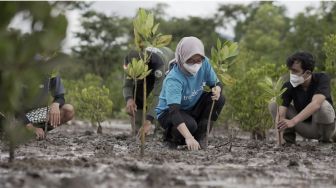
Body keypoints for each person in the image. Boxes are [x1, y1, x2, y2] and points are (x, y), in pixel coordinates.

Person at [155, 36, 225, 151]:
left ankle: (200, 138)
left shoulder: (205, 63)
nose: (195, 64)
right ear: (181, 58)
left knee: (219, 99)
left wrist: (217, 88)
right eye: (190, 60)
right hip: (169, 112)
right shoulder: (174, 78)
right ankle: (171, 139)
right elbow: (174, 111)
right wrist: (188, 137)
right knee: (190, 125)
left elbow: (216, 83)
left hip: (191, 106)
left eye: (198, 60)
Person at [269, 51, 336, 144]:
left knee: (323, 105)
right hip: (305, 128)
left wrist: (293, 121)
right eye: (291, 70)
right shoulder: (288, 86)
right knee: (275, 103)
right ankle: (287, 141)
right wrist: (279, 141)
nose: (291, 74)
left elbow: (316, 104)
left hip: (326, 128)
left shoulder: (322, 78)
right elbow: (281, 113)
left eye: (295, 71)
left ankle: (325, 141)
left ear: (308, 73)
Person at [19, 55, 75, 139]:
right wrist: (29, 126)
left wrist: (56, 104)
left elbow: (60, 96)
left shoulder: (52, 71)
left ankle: (38, 131)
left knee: (68, 110)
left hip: (33, 114)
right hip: (14, 115)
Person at [123, 47, 174, 136]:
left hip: (167, 65)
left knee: (166, 95)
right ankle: (138, 130)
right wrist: (129, 99)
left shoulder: (158, 64)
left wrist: (148, 120)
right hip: (148, 71)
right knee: (138, 94)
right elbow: (127, 85)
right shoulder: (128, 62)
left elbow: (158, 95)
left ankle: (160, 129)